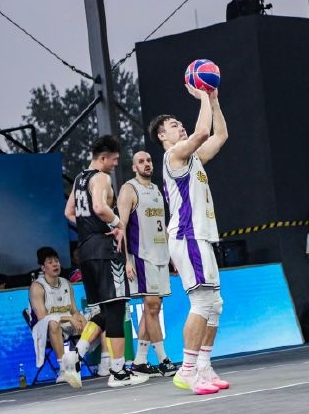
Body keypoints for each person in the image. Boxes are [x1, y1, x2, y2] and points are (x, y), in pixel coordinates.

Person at [149, 84, 230, 395]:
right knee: (201, 302)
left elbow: (219, 135)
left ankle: (204, 367)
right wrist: (203, 97)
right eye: (174, 126)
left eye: (180, 123)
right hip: (187, 235)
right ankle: (186, 370)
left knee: (215, 304)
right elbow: (202, 131)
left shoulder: (193, 158)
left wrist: (214, 101)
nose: (180, 127)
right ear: (162, 136)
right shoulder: (173, 155)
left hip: (201, 236)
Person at [63, 135, 148, 389]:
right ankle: (118, 372)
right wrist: (117, 224)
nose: (115, 164)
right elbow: (100, 207)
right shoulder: (100, 177)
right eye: (114, 159)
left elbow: (69, 213)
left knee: (106, 311)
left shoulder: (79, 179)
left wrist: (89, 229)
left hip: (86, 251)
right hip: (104, 250)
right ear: (103, 158)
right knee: (117, 309)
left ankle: (75, 355)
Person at [117, 150, 179, 378]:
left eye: (149, 160)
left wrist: (172, 256)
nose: (146, 164)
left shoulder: (157, 190)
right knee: (151, 305)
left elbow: (163, 225)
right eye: (141, 162)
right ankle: (163, 360)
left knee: (153, 308)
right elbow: (121, 227)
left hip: (161, 254)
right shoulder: (129, 189)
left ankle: (140, 361)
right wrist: (126, 260)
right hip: (143, 257)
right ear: (134, 167)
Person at [28, 247, 87, 386]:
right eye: (50, 262)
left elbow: (74, 310)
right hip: (44, 328)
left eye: (57, 261)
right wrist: (70, 318)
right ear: (43, 268)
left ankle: (101, 362)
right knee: (53, 323)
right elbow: (43, 318)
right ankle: (63, 369)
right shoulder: (37, 286)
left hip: (67, 323)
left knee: (95, 320)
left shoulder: (66, 283)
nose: (55, 264)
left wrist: (79, 317)